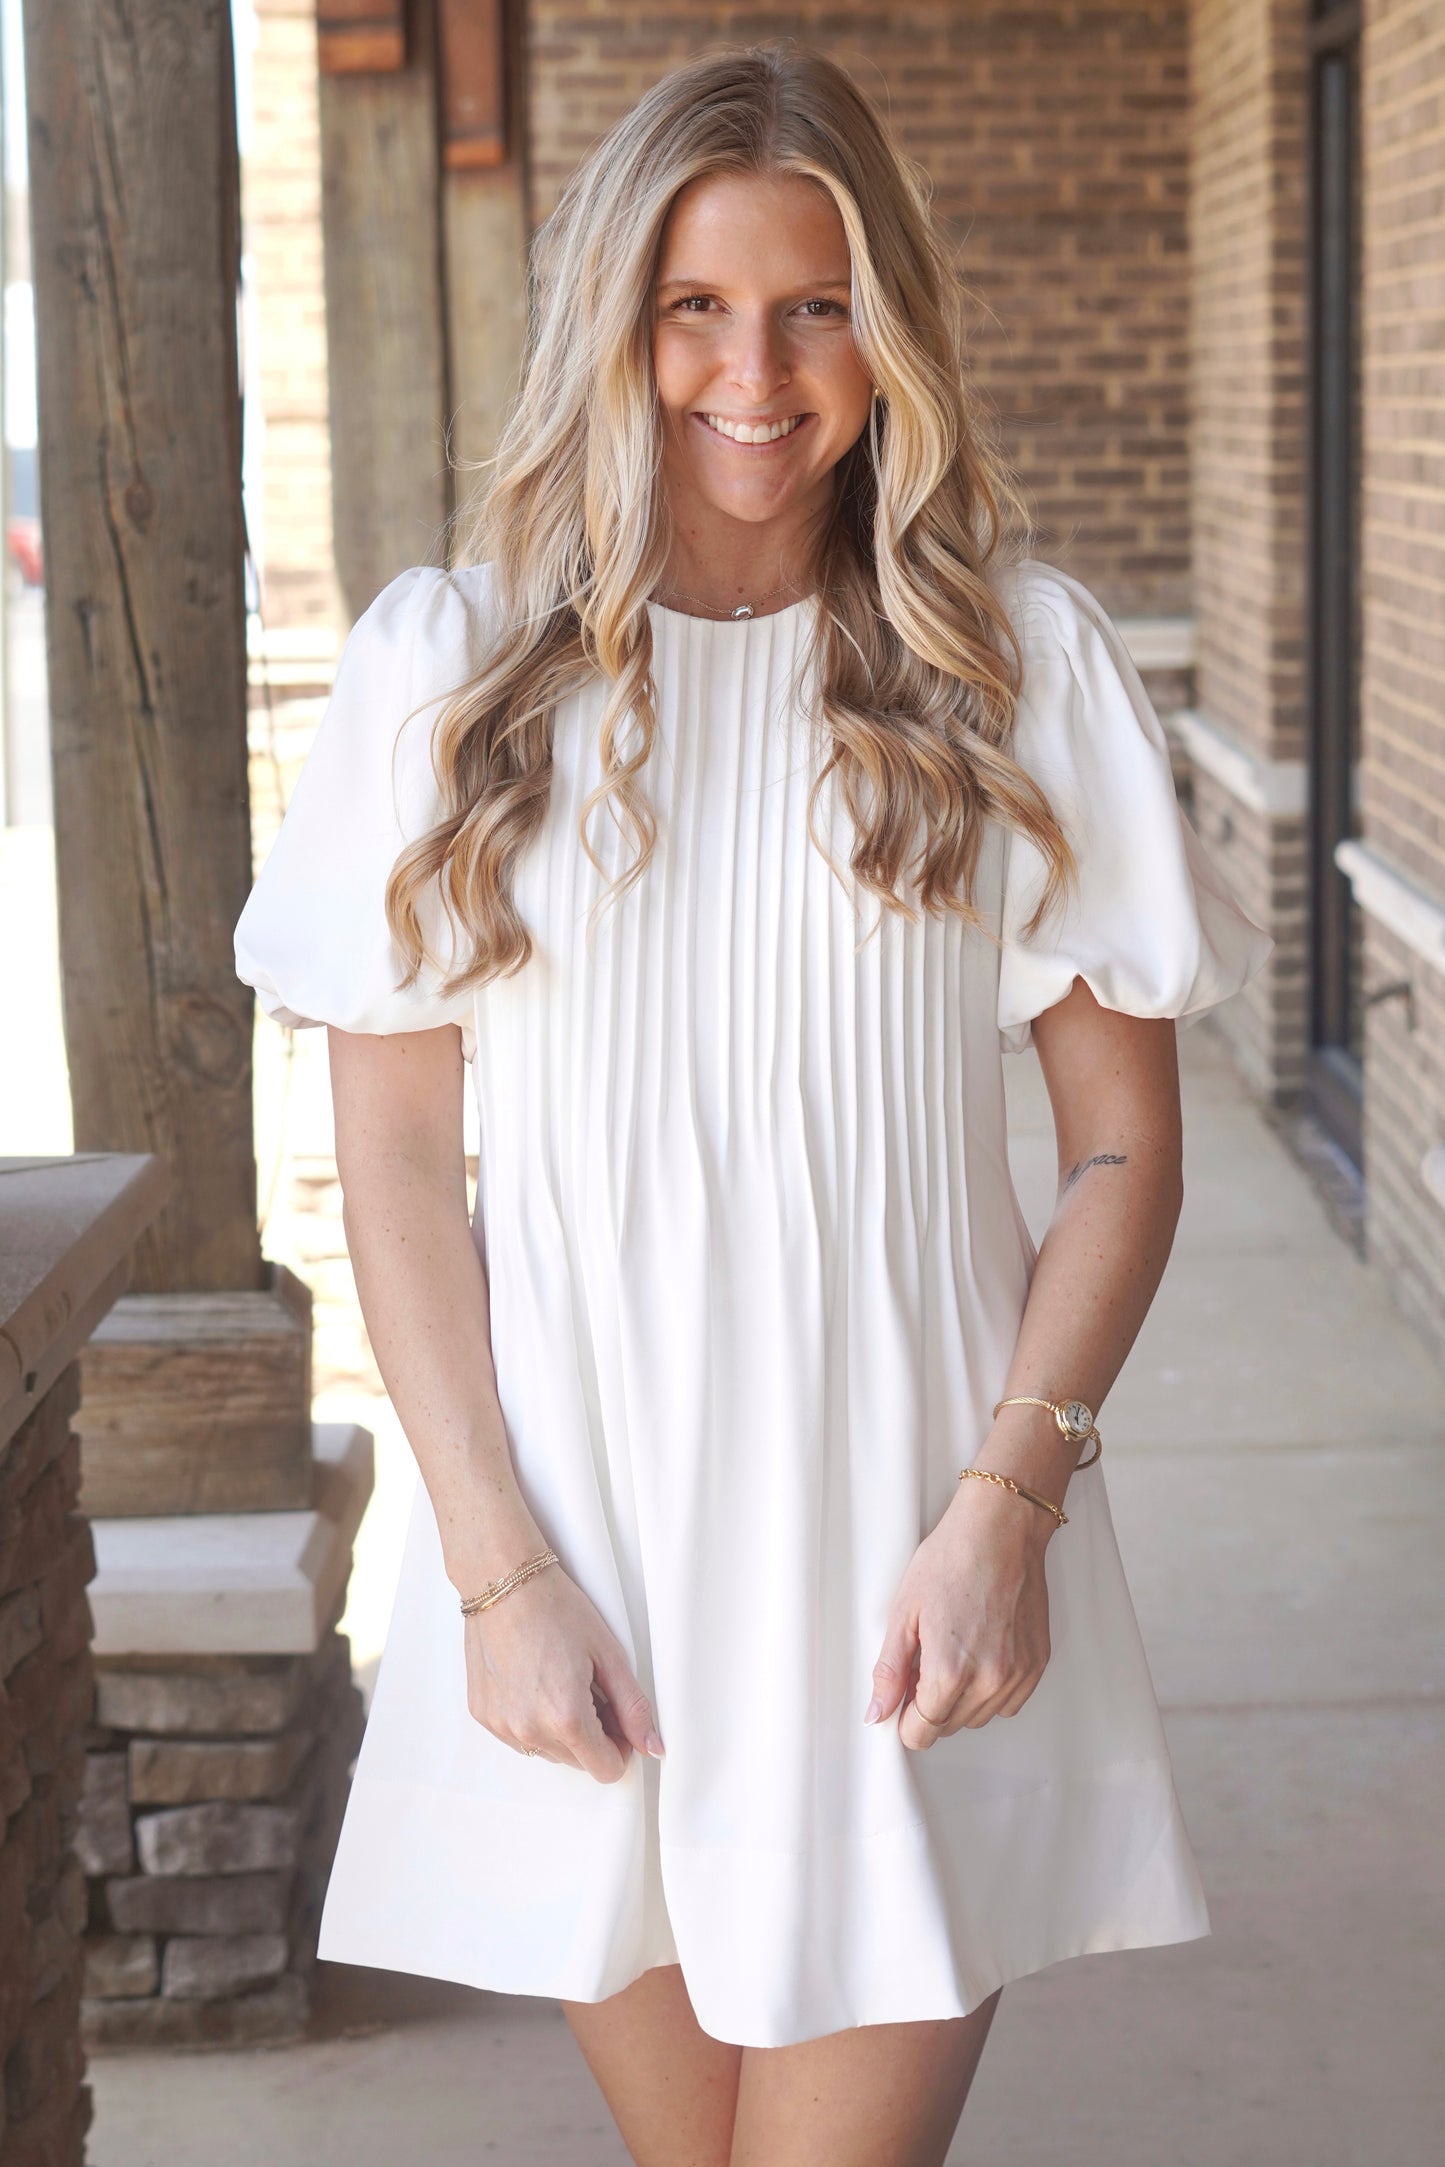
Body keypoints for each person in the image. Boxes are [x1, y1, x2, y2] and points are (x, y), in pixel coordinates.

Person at [234, 41, 1273, 2167]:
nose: (756, 370)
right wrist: (499, 1574)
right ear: (621, 322)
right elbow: (404, 1170)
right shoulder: (455, 677)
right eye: (698, 304)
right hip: (583, 1561)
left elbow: (1121, 1150)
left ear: (886, 330)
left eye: (816, 306)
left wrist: (1009, 1508)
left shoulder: (1014, 672)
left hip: (909, 1554)